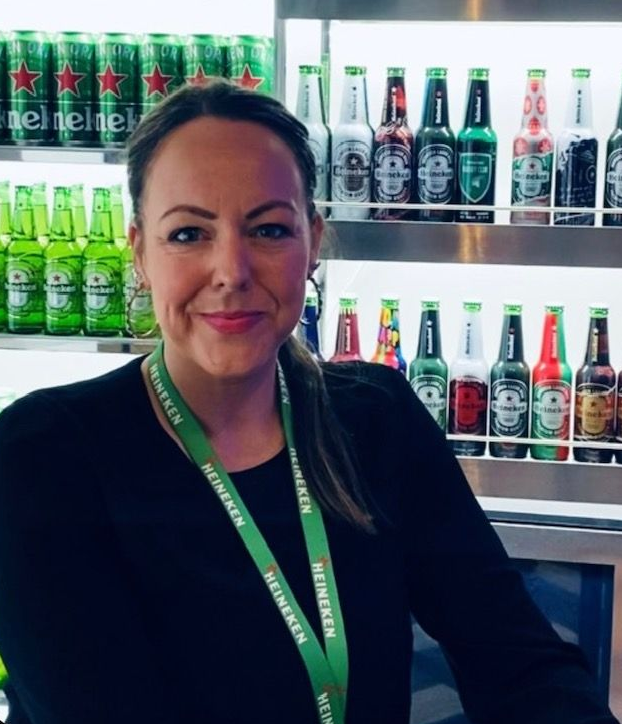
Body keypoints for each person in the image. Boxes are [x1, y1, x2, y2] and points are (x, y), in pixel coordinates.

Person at [0, 81, 618, 724]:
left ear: (313, 241)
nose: (232, 271)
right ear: (140, 254)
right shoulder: (41, 456)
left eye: (268, 229)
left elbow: (518, 661)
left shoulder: (376, 419)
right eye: (188, 234)